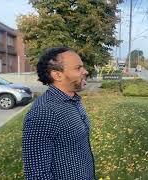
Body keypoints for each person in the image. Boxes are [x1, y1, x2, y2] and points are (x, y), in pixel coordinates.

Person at [22, 47, 96, 179]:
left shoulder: (73, 100)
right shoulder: (43, 112)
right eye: (78, 68)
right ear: (57, 75)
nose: (85, 71)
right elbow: (37, 175)